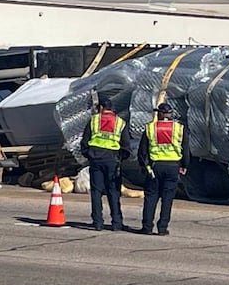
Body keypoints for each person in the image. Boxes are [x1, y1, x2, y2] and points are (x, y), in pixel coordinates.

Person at [80, 97, 131, 231]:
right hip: (112, 160)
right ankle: (116, 223)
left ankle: (98, 222)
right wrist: (120, 159)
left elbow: (84, 141)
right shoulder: (120, 122)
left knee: (96, 191)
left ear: (101, 107)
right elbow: (126, 145)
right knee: (113, 192)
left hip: (96, 159)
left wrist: (89, 154)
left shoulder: (94, 120)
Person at [137, 103, 189, 236]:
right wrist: (184, 165)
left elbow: (142, 151)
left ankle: (147, 227)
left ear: (159, 113)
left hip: (155, 166)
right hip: (173, 166)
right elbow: (185, 149)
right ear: (170, 114)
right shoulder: (179, 128)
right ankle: (162, 227)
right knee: (167, 199)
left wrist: (143, 166)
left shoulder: (150, 128)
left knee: (151, 197)